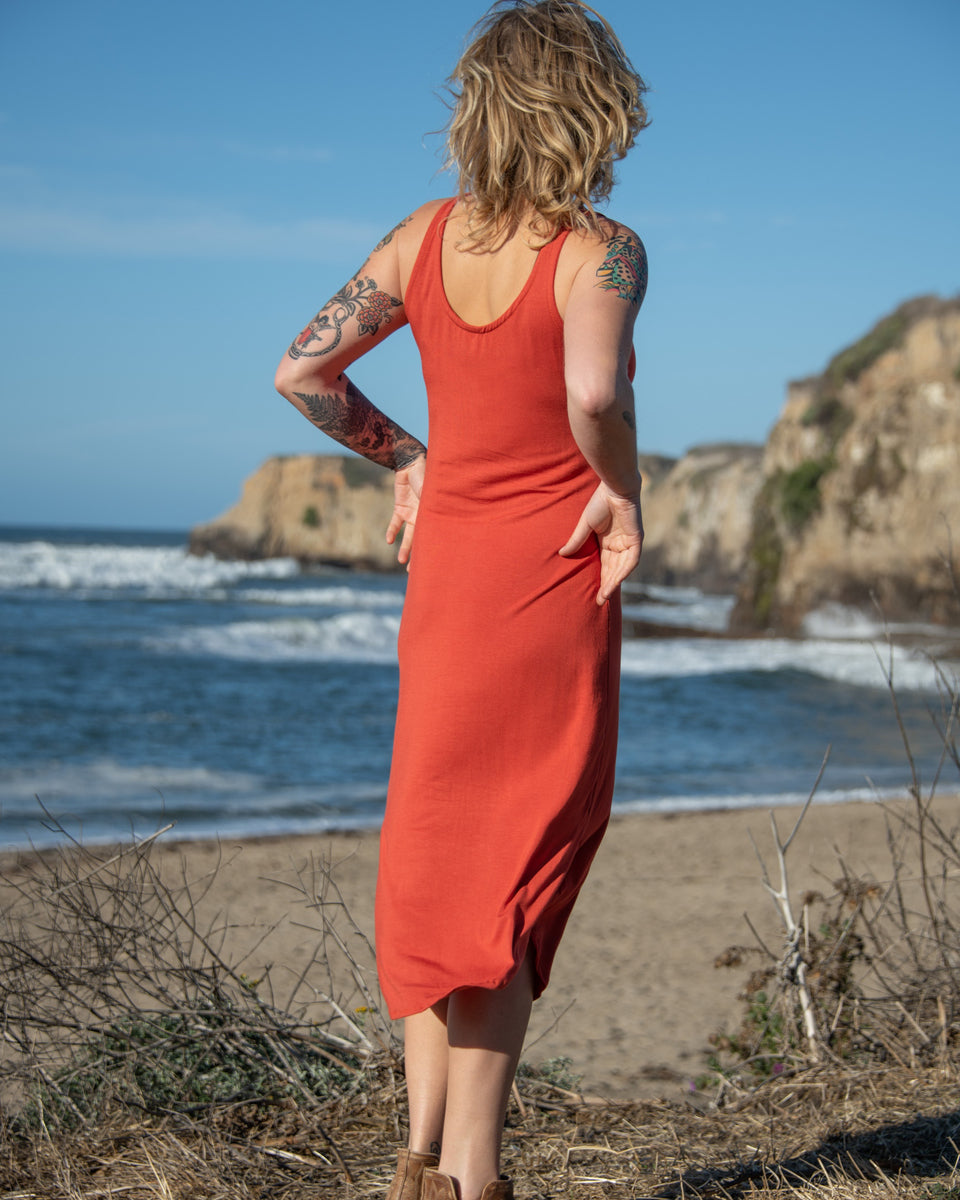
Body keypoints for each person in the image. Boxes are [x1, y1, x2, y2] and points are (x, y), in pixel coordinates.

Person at [274, 3, 649, 1197]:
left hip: (444, 589)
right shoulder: (604, 252)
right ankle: (477, 1177)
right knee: (515, 866)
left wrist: (411, 458)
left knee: (441, 860)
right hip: (548, 581)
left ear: (480, 108)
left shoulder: (420, 237)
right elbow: (594, 391)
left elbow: (302, 371)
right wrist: (623, 490)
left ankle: (424, 1160)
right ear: (595, 107)